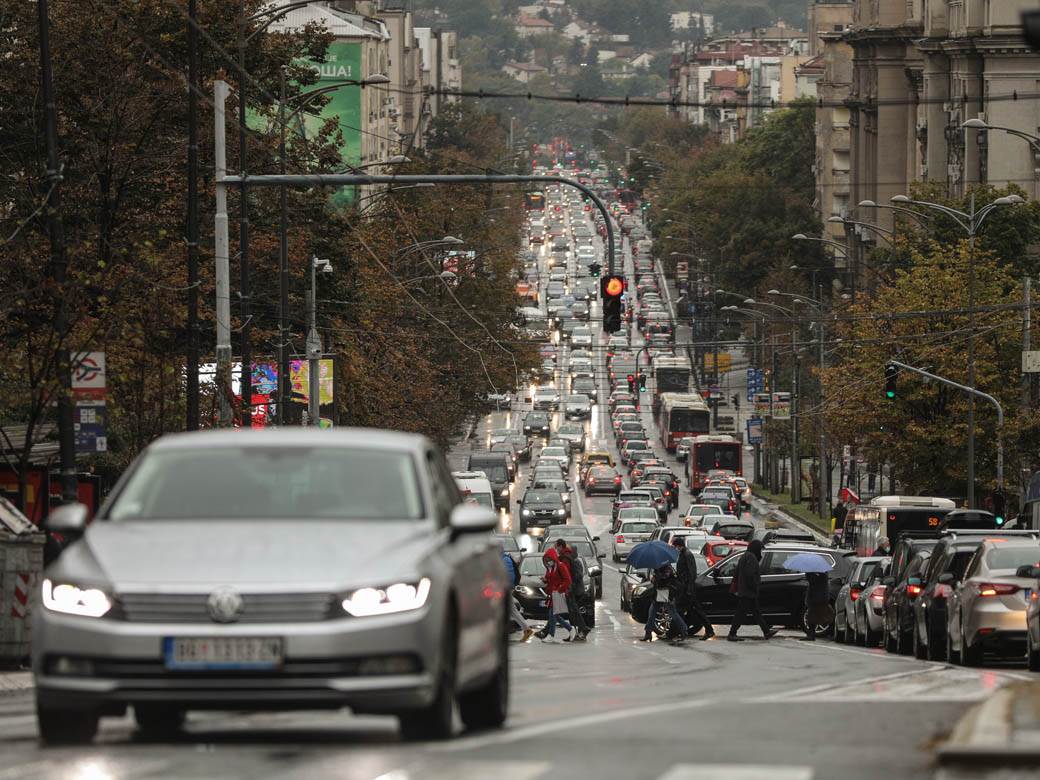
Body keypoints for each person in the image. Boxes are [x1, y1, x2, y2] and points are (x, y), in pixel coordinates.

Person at [727, 539, 778, 642]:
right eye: (760, 549)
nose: (761, 552)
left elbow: (737, 572)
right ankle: (732, 633)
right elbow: (750, 575)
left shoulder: (745, 556)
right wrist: (755, 586)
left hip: (744, 590)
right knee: (741, 613)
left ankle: (766, 631)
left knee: (755, 612)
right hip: (748, 591)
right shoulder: (752, 558)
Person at [672, 537, 714, 640]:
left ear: (679, 545)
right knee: (695, 611)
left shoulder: (687, 555)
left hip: (687, 589)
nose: (675, 548)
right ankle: (707, 630)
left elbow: (692, 572)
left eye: (676, 546)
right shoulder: (683, 554)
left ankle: (679, 631)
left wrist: (689, 589)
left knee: (682, 610)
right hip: (685, 587)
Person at [642, 563, 688, 644]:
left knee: (673, 614)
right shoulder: (658, 566)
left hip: (666, 594)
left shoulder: (667, 566)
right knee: (651, 613)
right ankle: (648, 633)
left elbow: (666, 578)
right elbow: (657, 581)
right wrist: (654, 578)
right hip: (658, 594)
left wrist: (657, 576)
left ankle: (684, 631)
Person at [541, 547, 575, 643]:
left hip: (558, 593)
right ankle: (570, 629)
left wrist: (560, 589)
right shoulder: (550, 568)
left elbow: (568, 580)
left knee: (553, 614)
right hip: (552, 594)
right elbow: (550, 579)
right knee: (554, 615)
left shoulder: (560, 566)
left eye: (549, 559)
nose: (548, 561)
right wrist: (545, 580)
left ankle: (551, 635)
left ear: (553, 558)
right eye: (546, 560)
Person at [557, 541, 590, 641]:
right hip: (573, 589)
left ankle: (583, 629)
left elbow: (578, 576)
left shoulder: (575, 561)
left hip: (575, 591)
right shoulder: (573, 560)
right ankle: (576, 632)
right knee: (572, 612)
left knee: (574, 611)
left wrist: (570, 584)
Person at [502, 551, 534, 642]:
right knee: (512, 610)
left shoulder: (505, 560)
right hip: (504, 588)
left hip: (504, 589)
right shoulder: (503, 559)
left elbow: (509, 576)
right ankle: (527, 629)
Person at [800, 571, 830, 642]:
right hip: (817, 597)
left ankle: (811, 635)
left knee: (812, 616)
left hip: (817, 598)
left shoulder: (820, 574)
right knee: (812, 616)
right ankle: (811, 634)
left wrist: (808, 574)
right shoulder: (820, 573)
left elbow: (813, 581)